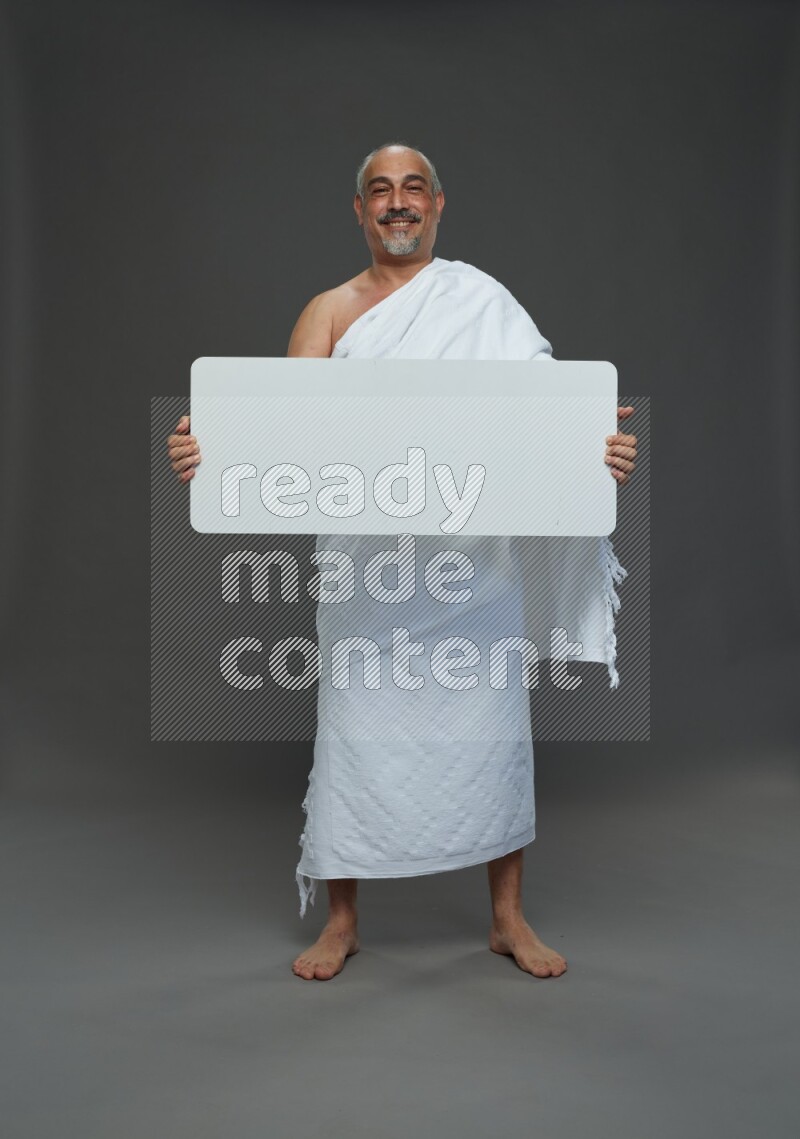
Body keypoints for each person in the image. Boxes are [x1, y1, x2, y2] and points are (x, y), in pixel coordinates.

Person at [166, 143, 637, 982]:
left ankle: (507, 918)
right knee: (354, 734)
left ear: (437, 204)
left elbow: (545, 405)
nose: (397, 202)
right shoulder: (330, 311)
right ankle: (342, 921)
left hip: (473, 567)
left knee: (493, 732)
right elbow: (281, 426)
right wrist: (213, 451)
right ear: (359, 210)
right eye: (380, 190)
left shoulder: (483, 301)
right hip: (368, 574)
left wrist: (593, 450)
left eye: (412, 188)